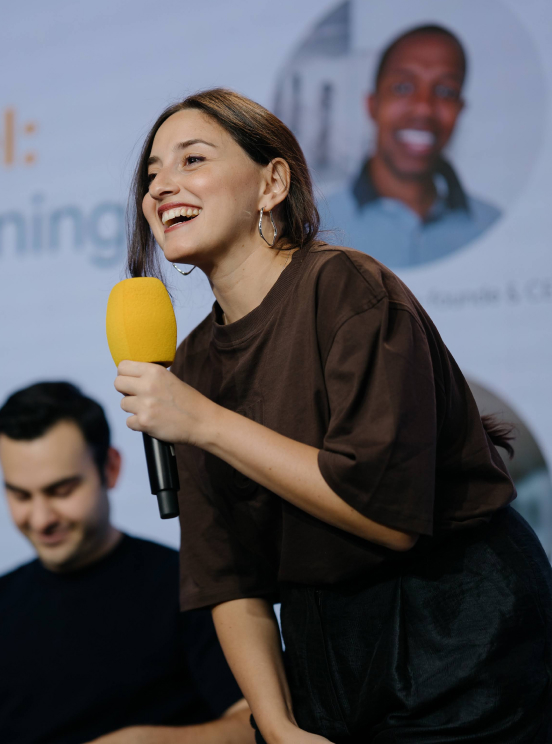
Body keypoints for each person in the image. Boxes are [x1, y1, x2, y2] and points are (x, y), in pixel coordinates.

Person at [114, 88, 552, 743]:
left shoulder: (346, 286)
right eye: (152, 175)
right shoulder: (194, 364)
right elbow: (229, 575)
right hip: (328, 646)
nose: (161, 189)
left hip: (456, 620)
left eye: (191, 160)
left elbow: (387, 515)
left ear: (272, 183)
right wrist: (277, 724)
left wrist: (203, 422)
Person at [0, 381, 254, 744]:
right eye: (20, 495)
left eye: (62, 490)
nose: (41, 519)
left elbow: (258, 723)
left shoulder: (190, 584)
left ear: (111, 469)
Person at [323, 24, 502, 268]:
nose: (424, 108)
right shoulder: (311, 229)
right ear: (372, 105)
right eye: (403, 87)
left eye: (446, 91)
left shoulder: (495, 227)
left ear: (460, 110)